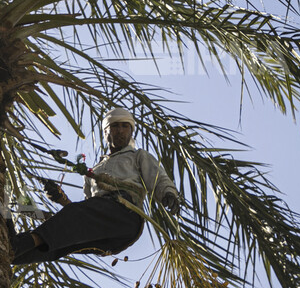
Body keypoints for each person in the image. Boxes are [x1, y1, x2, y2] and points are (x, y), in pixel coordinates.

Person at [10, 107, 180, 265]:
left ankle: (19, 244)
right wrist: (61, 198)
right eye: (115, 127)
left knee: (69, 221)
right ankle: (10, 254)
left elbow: (158, 177)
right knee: (62, 242)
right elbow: (85, 212)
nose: (120, 130)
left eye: (124, 126)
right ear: (106, 132)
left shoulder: (137, 156)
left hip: (125, 216)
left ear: (131, 131)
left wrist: (168, 193)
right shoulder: (95, 171)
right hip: (105, 229)